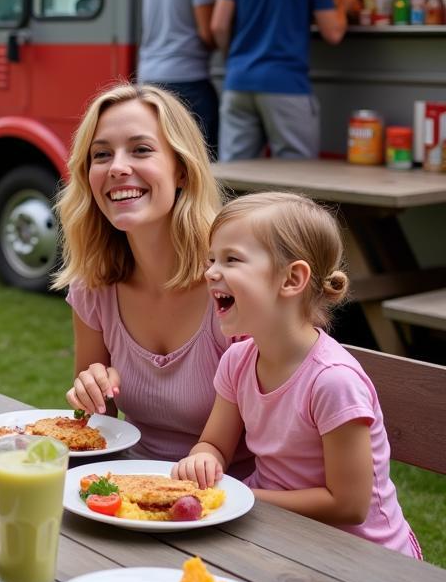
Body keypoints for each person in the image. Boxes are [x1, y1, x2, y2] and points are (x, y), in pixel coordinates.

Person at [174, 192, 422, 558]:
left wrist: (243, 496)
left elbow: (349, 504)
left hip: (364, 556)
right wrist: (204, 458)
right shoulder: (238, 360)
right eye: (212, 258)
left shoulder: (333, 381)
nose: (210, 271)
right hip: (281, 535)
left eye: (231, 259)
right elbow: (215, 443)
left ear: (292, 279)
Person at [57, 82, 252, 472]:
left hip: (240, 502)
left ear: (181, 169)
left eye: (141, 149)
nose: (117, 168)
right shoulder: (93, 286)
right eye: (101, 155)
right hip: (133, 490)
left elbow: (288, 437)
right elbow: (102, 425)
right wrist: (92, 390)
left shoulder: (234, 284)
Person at [211, 0, 348, 161]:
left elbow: (218, 25)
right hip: (286, 86)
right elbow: (332, 32)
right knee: (295, 176)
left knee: (234, 175)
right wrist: (342, 5)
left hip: (239, 83)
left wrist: (235, 59)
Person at [138, 0, 225, 156]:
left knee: (161, 157)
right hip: (188, 82)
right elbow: (207, 32)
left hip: (149, 79)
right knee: (201, 160)